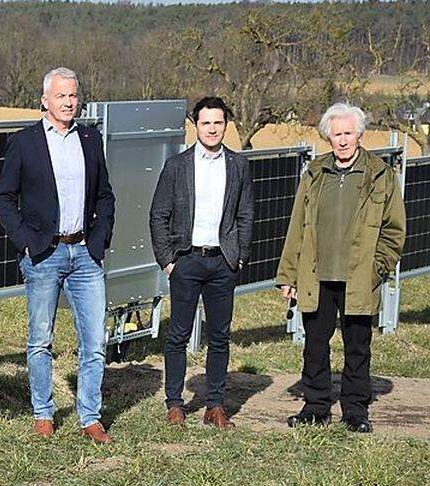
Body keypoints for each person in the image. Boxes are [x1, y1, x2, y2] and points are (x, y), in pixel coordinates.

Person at [0, 67, 116, 443]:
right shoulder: (25, 142)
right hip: (44, 254)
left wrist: (99, 241)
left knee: (95, 341)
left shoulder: (90, 140)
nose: (68, 102)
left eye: (73, 96)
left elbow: (105, 196)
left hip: (85, 253)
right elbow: (4, 198)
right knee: (40, 338)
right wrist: (27, 242)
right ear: (44, 100)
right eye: (61, 96)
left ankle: (90, 417)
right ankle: (43, 412)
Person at [276, 102, 405, 433]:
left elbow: (394, 230)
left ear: (360, 135)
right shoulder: (315, 175)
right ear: (328, 137)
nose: (343, 140)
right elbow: (297, 227)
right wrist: (288, 274)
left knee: (358, 347)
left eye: (349, 133)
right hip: (317, 276)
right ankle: (316, 406)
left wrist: (378, 269)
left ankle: (355, 411)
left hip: (359, 278)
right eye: (337, 134)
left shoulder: (380, 175)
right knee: (314, 346)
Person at [148, 96, 255, 428]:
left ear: (226, 125)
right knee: (178, 335)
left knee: (220, 336)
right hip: (186, 261)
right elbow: (158, 216)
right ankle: (175, 403)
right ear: (196, 125)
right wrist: (168, 261)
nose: (212, 129)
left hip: (222, 262)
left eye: (219, 122)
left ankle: (215, 405)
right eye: (206, 122)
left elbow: (246, 215)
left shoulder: (238, 166)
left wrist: (238, 258)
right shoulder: (177, 166)